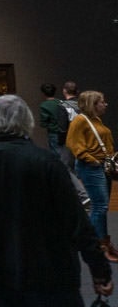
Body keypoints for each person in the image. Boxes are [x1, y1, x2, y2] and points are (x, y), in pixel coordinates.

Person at [0, 95, 113, 307]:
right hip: (51, 272)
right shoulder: (45, 162)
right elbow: (76, 221)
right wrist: (100, 270)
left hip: (0, 272)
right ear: (27, 121)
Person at [66, 89, 118, 262]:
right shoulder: (80, 120)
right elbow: (73, 144)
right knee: (99, 207)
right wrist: (93, 160)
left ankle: (103, 242)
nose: (105, 104)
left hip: (101, 166)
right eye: (102, 101)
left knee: (101, 206)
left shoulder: (95, 119)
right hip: (91, 167)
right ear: (92, 104)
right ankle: (99, 246)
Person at [38, 82, 67, 157]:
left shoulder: (44, 105)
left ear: (43, 93)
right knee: (65, 153)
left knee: (56, 153)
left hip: (53, 132)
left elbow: (43, 122)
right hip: (64, 131)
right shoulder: (61, 102)